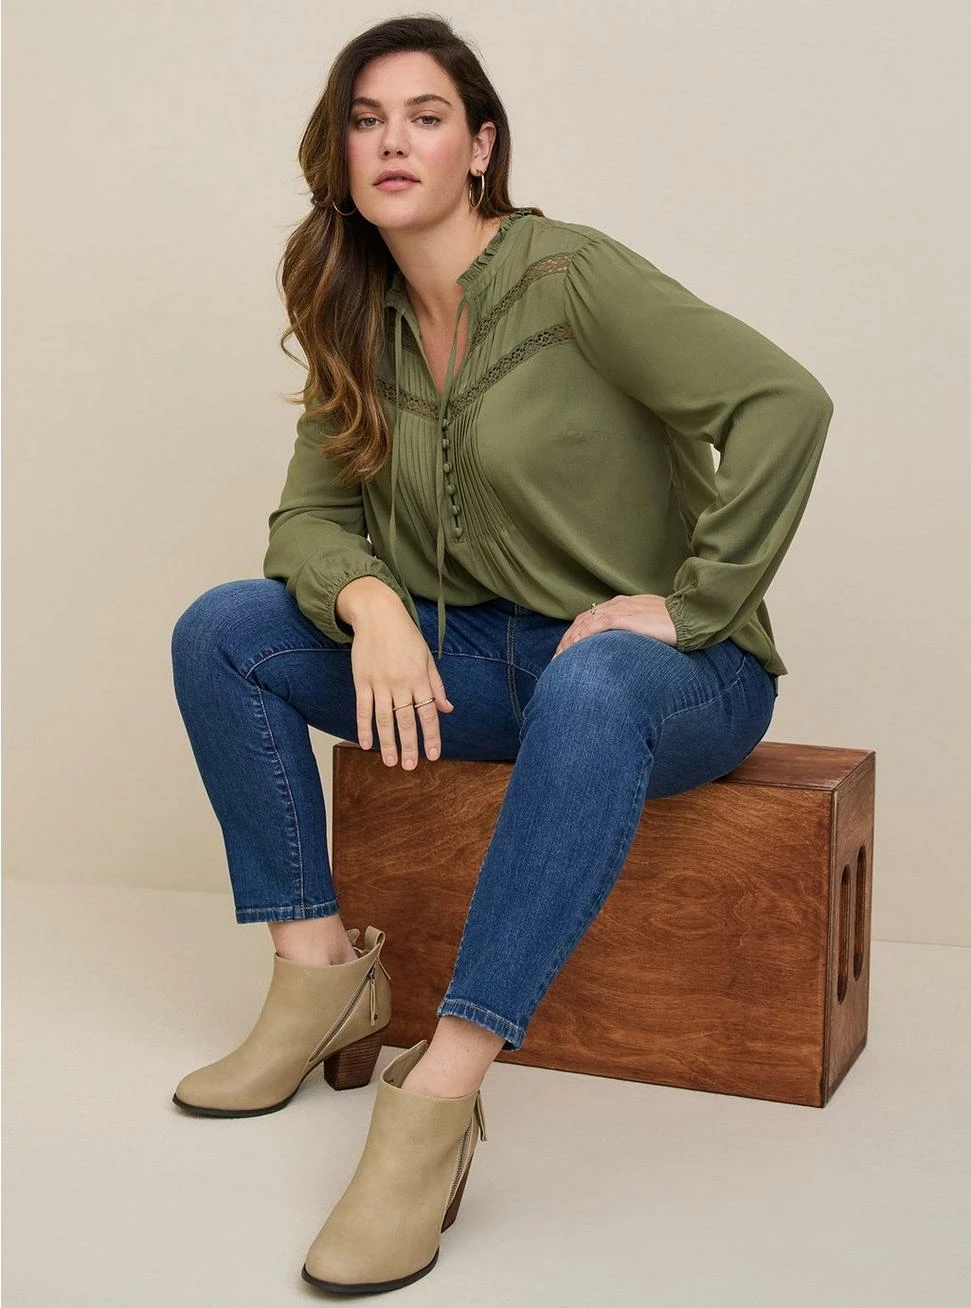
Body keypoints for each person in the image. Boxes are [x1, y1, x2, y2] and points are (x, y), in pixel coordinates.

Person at [169, 13, 834, 1296]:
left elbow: (781, 402)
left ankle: (441, 1093)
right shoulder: (355, 314)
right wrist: (370, 602)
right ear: (338, 153)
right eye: (365, 120)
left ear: (478, 147)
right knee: (224, 633)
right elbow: (305, 521)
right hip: (484, 661)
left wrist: (694, 604)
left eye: (424, 117)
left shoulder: (569, 276)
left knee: (593, 677)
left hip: (671, 686)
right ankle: (317, 982)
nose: (392, 141)